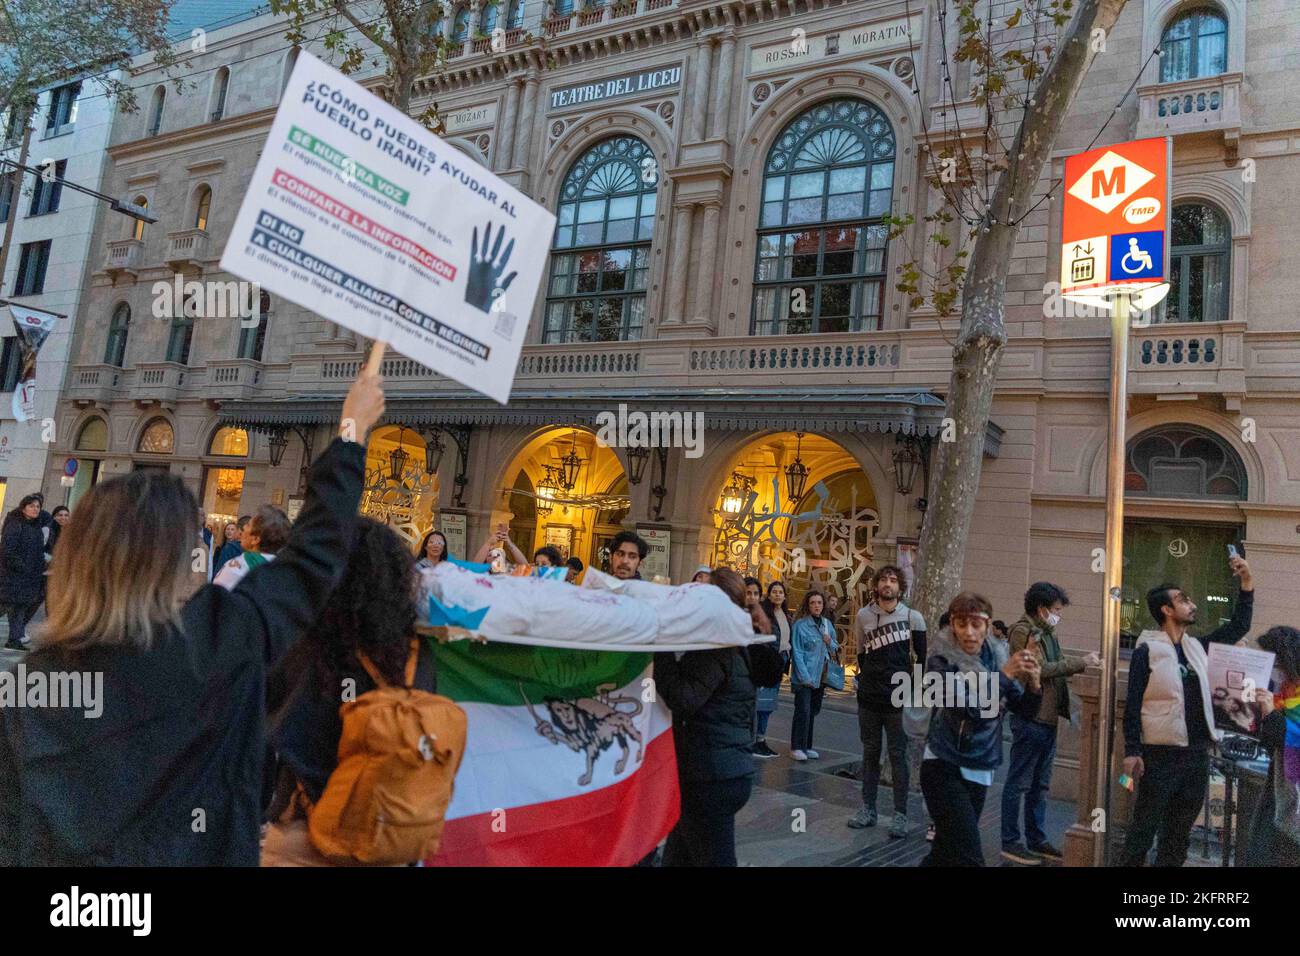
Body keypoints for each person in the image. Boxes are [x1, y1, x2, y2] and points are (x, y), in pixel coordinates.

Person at [0, 365, 384, 865]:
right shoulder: (217, 640)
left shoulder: (33, 680)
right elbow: (314, 556)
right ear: (169, 563)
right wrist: (351, 432)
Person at [262, 517, 437, 866]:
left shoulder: (309, 644)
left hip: (307, 831)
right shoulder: (418, 652)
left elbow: (276, 730)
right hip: (388, 838)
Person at [1121, 555, 1254, 867]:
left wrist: (1247, 584)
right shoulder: (1147, 651)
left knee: (1178, 834)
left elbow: (1239, 626)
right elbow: (1133, 703)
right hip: (1160, 756)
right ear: (1167, 610)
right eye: (1183, 600)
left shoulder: (1197, 647)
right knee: (1143, 830)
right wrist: (1131, 750)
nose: (1191, 604)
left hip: (1196, 755)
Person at [920, 593, 1042, 867]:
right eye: (961, 624)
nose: (969, 632)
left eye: (977, 624)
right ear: (952, 625)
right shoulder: (940, 661)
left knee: (944, 852)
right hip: (944, 766)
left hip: (980, 767)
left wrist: (1035, 685)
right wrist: (1005, 675)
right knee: (970, 858)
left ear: (987, 627)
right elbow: (972, 710)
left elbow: (1024, 710)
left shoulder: (996, 658)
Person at [655, 567, 757, 866]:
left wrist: (659, 651)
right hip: (717, 771)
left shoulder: (716, 649)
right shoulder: (731, 641)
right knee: (678, 858)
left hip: (710, 777)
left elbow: (684, 699)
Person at [1001, 582, 1101, 864]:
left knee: (1040, 784)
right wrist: (1081, 663)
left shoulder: (1047, 632)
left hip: (1047, 718)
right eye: (1056, 610)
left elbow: (1055, 661)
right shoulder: (1024, 632)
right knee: (1019, 781)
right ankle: (1010, 841)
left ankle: (1036, 838)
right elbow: (1039, 668)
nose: (1059, 615)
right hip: (1030, 715)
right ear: (1042, 609)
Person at [849, 565, 927, 837]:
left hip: (898, 698)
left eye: (893, 580)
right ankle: (868, 809)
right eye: (883, 579)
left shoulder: (913, 618)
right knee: (870, 754)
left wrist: (913, 692)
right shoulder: (863, 616)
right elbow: (860, 652)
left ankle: (900, 815)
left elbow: (922, 659)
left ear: (900, 587)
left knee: (898, 757)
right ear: (876, 585)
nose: (888, 584)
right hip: (869, 698)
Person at [1242, 626, 1300, 867]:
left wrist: (1270, 712)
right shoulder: (1285, 689)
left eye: (1275, 661)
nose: (1274, 669)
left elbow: (1290, 735)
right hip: (1280, 786)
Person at [789, 589, 837, 762]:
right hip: (804, 676)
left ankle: (807, 746)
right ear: (807, 605)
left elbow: (834, 648)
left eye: (819, 603)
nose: (816, 606)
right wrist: (804, 676)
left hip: (820, 676)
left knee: (812, 711)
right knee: (802, 710)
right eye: (813, 603)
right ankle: (796, 747)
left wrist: (829, 641)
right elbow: (797, 652)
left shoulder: (827, 624)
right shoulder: (800, 625)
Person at [0, 495, 47, 651]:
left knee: (19, 608)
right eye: (31, 506)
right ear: (23, 508)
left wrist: (39, 568)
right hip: (13, 576)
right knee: (7, 606)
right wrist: (21, 567)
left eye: (38, 507)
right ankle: (14, 638)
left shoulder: (36, 528)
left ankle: (14, 639)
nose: (35, 509)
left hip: (29, 578)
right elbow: (7, 551)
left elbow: (38, 552)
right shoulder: (15, 525)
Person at [214, 505, 292, 590]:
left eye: (248, 525)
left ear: (255, 539)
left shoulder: (236, 569)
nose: (243, 528)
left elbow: (215, 597)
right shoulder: (286, 573)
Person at [755, 581, 792, 758]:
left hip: (779, 662)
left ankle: (761, 739)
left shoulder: (785, 614)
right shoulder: (764, 614)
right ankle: (757, 740)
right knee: (762, 703)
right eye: (774, 592)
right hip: (768, 663)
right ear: (768, 595)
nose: (778, 594)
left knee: (768, 704)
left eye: (780, 592)